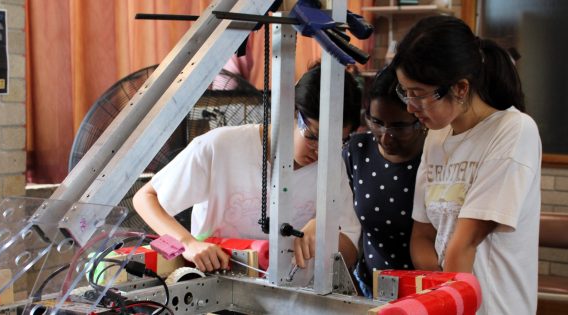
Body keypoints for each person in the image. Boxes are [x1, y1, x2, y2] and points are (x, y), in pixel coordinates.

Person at [133, 64, 362, 273]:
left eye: (333, 144)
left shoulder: (332, 166)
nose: (321, 152)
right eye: (312, 136)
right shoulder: (219, 147)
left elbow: (350, 253)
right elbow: (146, 197)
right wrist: (188, 244)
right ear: (289, 111)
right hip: (218, 288)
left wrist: (326, 231)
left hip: (293, 297)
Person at [391, 15, 541, 314]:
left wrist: (448, 300)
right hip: (452, 301)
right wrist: (441, 295)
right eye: (404, 91)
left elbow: (464, 245)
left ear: (460, 88)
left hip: (494, 307)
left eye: (418, 94)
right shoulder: (437, 136)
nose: (409, 106)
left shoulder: (513, 131)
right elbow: (422, 236)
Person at [343, 66, 426, 297]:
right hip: (369, 289)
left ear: (419, 118)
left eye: (399, 126)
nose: (386, 136)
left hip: (425, 292)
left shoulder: (435, 155)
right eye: (376, 122)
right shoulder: (357, 150)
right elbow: (341, 221)